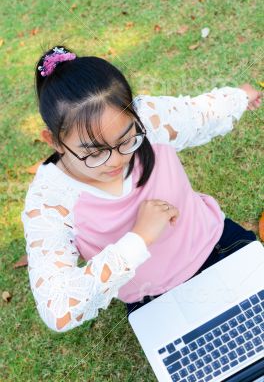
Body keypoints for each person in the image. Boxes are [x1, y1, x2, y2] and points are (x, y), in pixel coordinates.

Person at [20, 45, 262, 333]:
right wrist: (139, 238)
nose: (118, 159)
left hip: (219, 245)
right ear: (55, 142)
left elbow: (198, 113)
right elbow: (58, 309)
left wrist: (238, 97)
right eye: (94, 153)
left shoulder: (148, 120)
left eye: (126, 140)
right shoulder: (50, 200)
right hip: (153, 298)